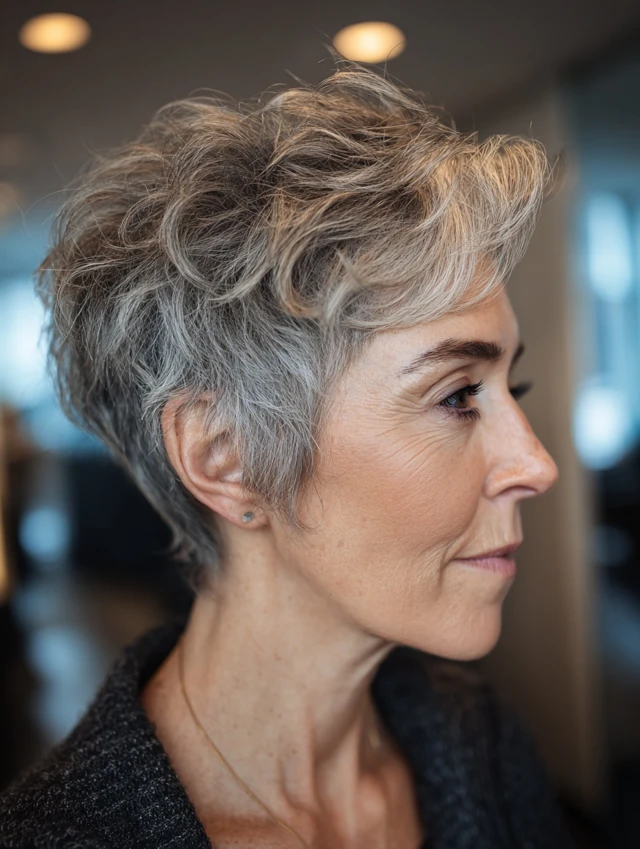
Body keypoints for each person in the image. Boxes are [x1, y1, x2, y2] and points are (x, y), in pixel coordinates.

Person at [0, 61, 574, 849]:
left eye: (514, 388)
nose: (537, 464)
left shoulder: (483, 741)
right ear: (225, 456)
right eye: (457, 396)